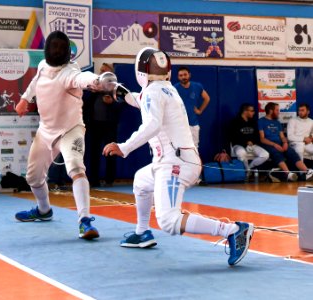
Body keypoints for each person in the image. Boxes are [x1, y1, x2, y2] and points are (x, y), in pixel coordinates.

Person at [103, 47, 254, 266]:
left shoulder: (154, 92)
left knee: (169, 221)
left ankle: (233, 231)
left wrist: (124, 147)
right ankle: (142, 232)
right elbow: (142, 100)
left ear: (142, 70)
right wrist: (122, 93)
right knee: (140, 181)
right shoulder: (167, 89)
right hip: (172, 160)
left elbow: (152, 124)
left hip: (176, 164)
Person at [14, 31, 111, 240]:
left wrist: (99, 81)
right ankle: (43, 210)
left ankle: (84, 220)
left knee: (76, 168)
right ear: (47, 49)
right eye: (53, 47)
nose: (56, 51)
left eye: (60, 47)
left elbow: (83, 78)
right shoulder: (42, 66)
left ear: (67, 51)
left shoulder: (70, 73)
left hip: (70, 130)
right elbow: (35, 81)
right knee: (33, 177)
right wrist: (24, 98)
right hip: (45, 130)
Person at [258, 102, 313, 182]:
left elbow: (282, 136)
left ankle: (307, 172)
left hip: (280, 143)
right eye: (277, 110)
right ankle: (288, 174)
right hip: (269, 144)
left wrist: (285, 143)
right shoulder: (261, 121)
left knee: (291, 152)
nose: (278, 112)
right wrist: (274, 145)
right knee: (276, 153)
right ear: (270, 111)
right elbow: (262, 139)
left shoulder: (277, 122)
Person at [87, 63, 120, 187]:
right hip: (95, 124)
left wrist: (112, 102)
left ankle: (109, 179)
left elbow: (123, 103)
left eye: (104, 70)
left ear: (111, 73)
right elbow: (87, 103)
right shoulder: (94, 85)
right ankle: (93, 179)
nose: (101, 72)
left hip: (110, 125)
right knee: (94, 153)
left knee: (111, 152)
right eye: (101, 70)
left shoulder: (117, 87)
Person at [174, 66, 210, 148]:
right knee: (180, 148)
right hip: (179, 124)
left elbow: (207, 98)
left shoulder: (197, 86)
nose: (183, 77)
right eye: (181, 75)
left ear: (189, 75)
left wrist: (200, 110)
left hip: (193, 123)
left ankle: (195, 161)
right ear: (178, 77)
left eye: (185, 74)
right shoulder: (174, 88)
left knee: (194, 147)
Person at [230, 103, 269, 177]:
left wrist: (252, 142)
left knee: (265, 155)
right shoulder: (235, 122)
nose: (253, 113)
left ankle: (249, 168)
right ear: (245, 111)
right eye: (251, 111)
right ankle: (247, 171)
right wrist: (246, 142)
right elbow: (234, 137)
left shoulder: (253, 122)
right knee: (241, 153)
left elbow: (257, 136)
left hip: (252, 145)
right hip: (239, 145)